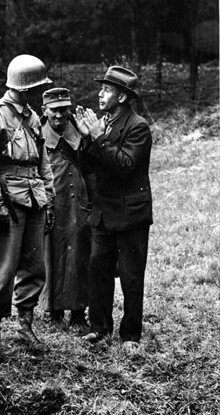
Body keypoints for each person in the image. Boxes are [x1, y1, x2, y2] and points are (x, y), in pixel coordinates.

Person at [0, 54, 55, 363]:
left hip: (35, 200)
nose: (40, 92)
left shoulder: (33, 118)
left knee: (35, 268)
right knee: (2, 269)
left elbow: (43, 163)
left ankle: (25, 326)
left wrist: (50, 200)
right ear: (25, 87)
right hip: (8, 202)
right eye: (38, 87)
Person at [75, 66, 153, 356]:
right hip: (104, 213)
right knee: (99, 270)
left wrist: (97, 138)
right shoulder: (102, 124)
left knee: (132, 276)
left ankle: (131, 334)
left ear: (121, 97)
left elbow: (124, 166)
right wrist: (86, 139)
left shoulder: (138, 127)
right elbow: (87, 167)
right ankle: (99, 328)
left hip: (131, 214)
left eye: (106, 89)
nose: (100, 93)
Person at [39, 87, 93, 332]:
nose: (60, 116)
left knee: (79, 256)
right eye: (54, 111)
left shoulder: (80, 130)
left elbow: (93, 162)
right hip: (52, 204)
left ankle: (79, 312)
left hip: (79, 205)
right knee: (52, 255)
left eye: (64, 110)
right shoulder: (37, 133)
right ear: (44, 111)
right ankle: (53, 309)